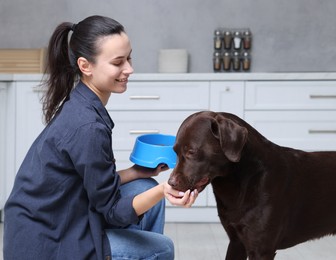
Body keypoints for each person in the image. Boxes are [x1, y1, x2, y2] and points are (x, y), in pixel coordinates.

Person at [3, 15, 198, 260]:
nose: (129, 69)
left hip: (62, 216)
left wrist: (136, 172)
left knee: (144, 187)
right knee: (162, 247)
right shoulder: (88, 126)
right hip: (49, 242)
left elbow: (93, 185)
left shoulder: (83, 105)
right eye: (118, 62)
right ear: (86, 66)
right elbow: (112, 211)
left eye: (129, 58)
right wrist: (165, 190)